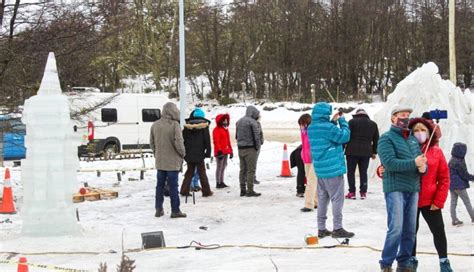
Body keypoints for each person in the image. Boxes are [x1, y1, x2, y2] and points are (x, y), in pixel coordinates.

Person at [377, 106, 427, 272]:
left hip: (413, 188)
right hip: (395, 188)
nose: (405, 118)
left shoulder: (412, 140)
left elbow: (419, 162)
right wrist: (414, 163)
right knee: (396, 228)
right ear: (393, 118)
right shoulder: (386, 139)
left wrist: (422, 168)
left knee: (409, 229)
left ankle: (404, 262)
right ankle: (386, 263)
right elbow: (389, 163)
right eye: (402, 115)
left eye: (408, 115)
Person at [408, 118, 452, 272]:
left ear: (428, 133)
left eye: (423, 130)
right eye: (416, 131)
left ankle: (444, 261)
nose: (420, 133)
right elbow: (392, 166)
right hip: (410, 199)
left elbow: (444, 178)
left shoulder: (436, 151)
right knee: (411, 232)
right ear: (411, 133)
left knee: (438, 231)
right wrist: (381, 171)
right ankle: (411, 260)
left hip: (430, 200)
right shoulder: (405, 149)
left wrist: (439, 200)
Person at [307, 102, 353, 238]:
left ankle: (321, 229)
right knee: (337, 199)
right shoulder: (327, 128)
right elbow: (344, 136)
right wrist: (342, 121)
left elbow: (327, 137)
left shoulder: (312, 127)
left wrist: (333, 122)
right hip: (333, 168)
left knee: (322, 199)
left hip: (320, 169)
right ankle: (338, 228)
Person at [150, 102, 186, 218]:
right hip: (172, 162)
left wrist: (157, 154)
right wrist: (182, 154)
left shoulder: (154, 125)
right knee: (173, 186)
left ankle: (158, 208)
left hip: (160, 162)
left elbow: (151, 143)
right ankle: (175, 210)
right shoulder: (175, 125)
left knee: (159, 186)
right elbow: (179, 143)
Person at [344, 108, 379, 200]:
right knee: (363, 172)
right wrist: (374, 152)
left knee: (351, 172)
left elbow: (345, 136)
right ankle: (363, 192)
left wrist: (342, 148)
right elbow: (376, 139)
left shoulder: (351, 122)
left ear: (357, 114)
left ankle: (352, 192)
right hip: (366, 152)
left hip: (351, 151)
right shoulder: (373, 124)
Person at [180, 107, 213, 197]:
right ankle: (206, 191)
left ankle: (184, 190)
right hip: (200, 154)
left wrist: (184, 153)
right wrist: (208, 153)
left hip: (189, 154)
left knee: (189, 172)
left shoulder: (187, 127)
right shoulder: (204, 127)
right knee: (202, 173)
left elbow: (183, 140)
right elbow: (207, 141)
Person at [236, 105, 262, 197]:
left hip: (240, 149)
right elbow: (256, 136)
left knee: (242, 170)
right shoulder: (253, 122)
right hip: (250, 149)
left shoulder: (238, 121)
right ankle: (250, 190)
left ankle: (242, 190)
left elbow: (236, 136)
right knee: (251, 170)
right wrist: (257, 147)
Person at [449, 142, 474, 226]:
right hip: (459, 185)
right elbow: (464, 174)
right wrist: (472, 178)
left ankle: (454, 219)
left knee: (453, 202)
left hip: (452, 185)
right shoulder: (459, 161)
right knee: (467, 201)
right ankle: (473, 217)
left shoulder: (452, 159)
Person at [299, 113, 318, 212]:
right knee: (311, 181)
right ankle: (316, 201)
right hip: (306, 159)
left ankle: (308, 204)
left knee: (311, 181)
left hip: (315, 159)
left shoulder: (313, 130)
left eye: (302, 124)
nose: (301, 126)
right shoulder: (303, 131)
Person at [213, 113, 233, 189]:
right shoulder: (216, 130)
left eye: (226, 120)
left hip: (226, 151)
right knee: (219, 167)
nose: (225, 121)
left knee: (223, 166)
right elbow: (216, 141)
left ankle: (221, 181)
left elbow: (228, 141)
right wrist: (219, 151)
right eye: (224, 120)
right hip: (220, 152)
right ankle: (218, 182)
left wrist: (231, 151)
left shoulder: (225, 129)